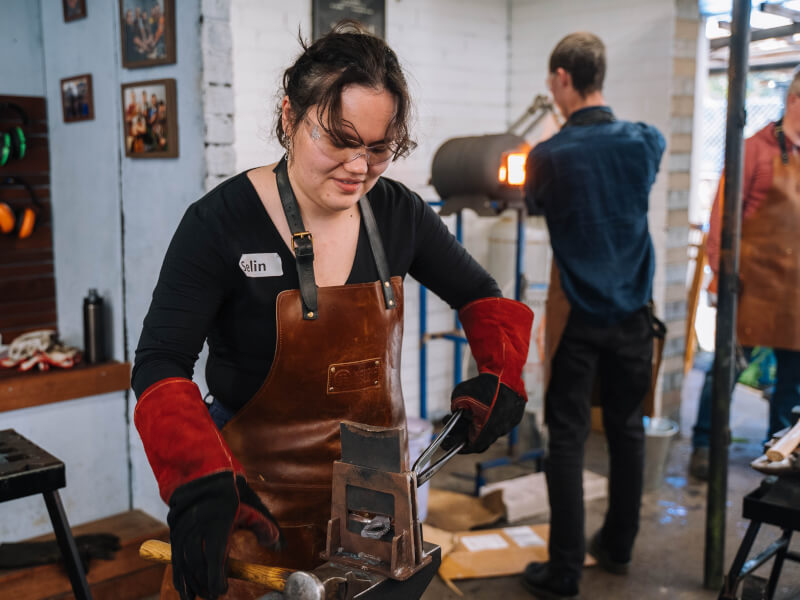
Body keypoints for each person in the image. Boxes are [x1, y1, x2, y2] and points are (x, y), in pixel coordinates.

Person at [132, 21, 533, 600]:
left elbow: (483, 297)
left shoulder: (399, 214)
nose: (357, 167)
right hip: (253, 519)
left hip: (375, 528)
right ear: (291, 117)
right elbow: (161, 362)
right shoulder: (219, 223)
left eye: (377, 148)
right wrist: (197, 475)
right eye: (338, 140)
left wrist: (501, 377)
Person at [521, 32, 665, 599]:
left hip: (578, 317)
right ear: (598, 75)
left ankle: (564, 572)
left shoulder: (549, 155)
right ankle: (618, 546)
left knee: (568, 437)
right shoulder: (645, 141)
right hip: (634, 313)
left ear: (562, 78)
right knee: (628, 430)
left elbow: (533, 205)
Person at [688, 69, 800, 480]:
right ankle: (704, 443)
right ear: (795, 103)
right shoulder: (753, 149)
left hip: (795, 292)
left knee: (791, 385)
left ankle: (778, 451)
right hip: (751, 287)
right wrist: (721, 275)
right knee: (726, 370)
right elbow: (721, 218)